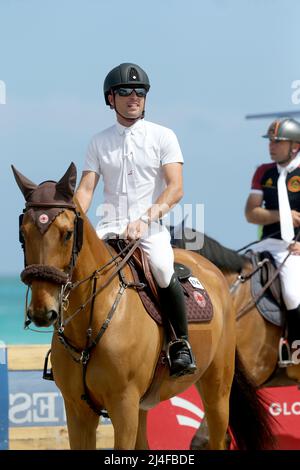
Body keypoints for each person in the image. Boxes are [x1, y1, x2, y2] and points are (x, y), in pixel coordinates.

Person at [75, 62, 196, 377]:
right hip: (107, 227)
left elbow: (176, 188)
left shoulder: (163, 136)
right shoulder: (98, 142)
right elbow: (87, 189)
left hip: (149, 228)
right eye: (125, 91)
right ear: (110, 99)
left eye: (140, 91)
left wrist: (145, 219)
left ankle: (180, 343)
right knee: (77, 270)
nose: (134, 96)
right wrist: (74, 219)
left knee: (162, 267)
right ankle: (69, 346)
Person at [245, 118, 300, 361]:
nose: (272, 146)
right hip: (268, 243)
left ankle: (296, 352)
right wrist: (284, 215)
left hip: (295, 247)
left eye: (278, 142)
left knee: (291, 292)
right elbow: (252, 213)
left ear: (295, 146)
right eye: (270, 141)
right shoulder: (263, 172)